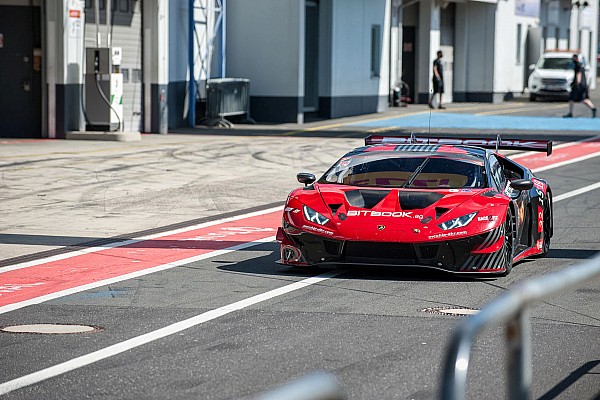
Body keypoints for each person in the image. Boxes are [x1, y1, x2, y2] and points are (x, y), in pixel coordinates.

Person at [564, 54, 597, 118]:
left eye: (575, 58)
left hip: (579, 85)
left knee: (571, 98)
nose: (573, 59)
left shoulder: (577, 65)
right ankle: (593, 108)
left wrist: (577, 83)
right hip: (584, 85)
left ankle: (570, 113)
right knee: (584, 99)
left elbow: (578, 74)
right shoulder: (582, 66)